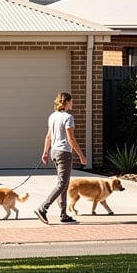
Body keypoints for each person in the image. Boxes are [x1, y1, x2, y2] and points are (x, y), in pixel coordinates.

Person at [35, 92, 87, 225]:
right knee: (63, 184)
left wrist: (45, 152)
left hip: (54, 152)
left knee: (63, 184)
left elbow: (48, 136)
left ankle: (64, 214)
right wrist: (81, 155)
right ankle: (43, 208)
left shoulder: (52, 116)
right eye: (71, 101)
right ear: (67, 102)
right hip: (64, 153)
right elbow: (70, 138)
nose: (72, 104)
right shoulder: (68, 117)